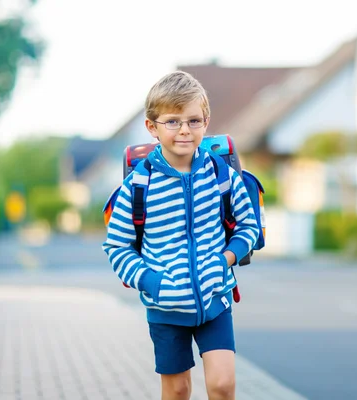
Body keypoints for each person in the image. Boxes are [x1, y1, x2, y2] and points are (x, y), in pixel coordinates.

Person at [103, 70, 259, 400]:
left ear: (206, 121)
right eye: (172, 122)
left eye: (193, 120)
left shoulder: (221, 174)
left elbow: (249, 226)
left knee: (222, 385)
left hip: (214, 299)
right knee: (176, 390)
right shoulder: (138, 186)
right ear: (152, 127)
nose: (184, 130)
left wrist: (224, 260)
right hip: (165, 308)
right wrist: (151, 282)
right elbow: (117, 246)